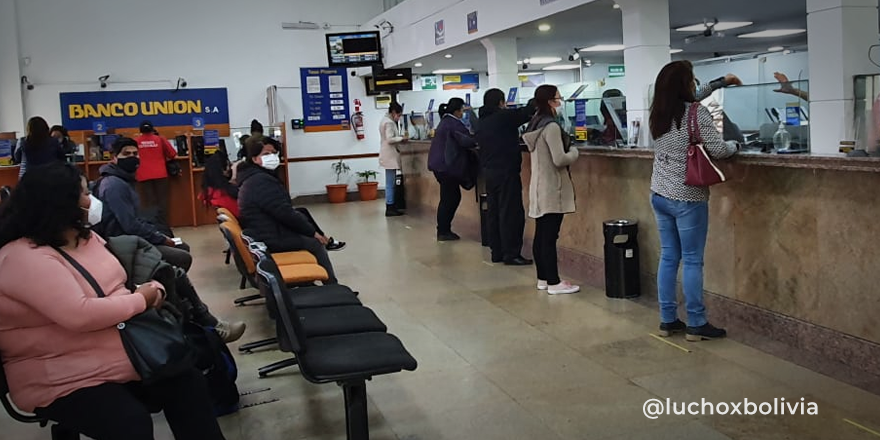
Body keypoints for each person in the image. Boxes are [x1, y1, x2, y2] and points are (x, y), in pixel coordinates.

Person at [0, 162, 226, 440]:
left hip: (121, 353)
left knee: (187, 382)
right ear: (60, 203)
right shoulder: (22, 258)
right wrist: (141, 300)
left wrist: (152, 288)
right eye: (85, 193)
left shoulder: (86, 238)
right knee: (130, 423)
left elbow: (120, 284)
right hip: (61, 375)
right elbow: (80, 314)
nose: (92, 200)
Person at [649, 60, 740, 342]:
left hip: (659, 193)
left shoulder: (658, 112)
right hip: (687, 196)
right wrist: (736, 145)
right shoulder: (696, 112)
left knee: (668, 257)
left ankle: (668, 320)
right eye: (692, 79)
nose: (694, 83)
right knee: (691, 260)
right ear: (684, 84)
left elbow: (694, 96)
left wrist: (720, 82)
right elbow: (719, 150)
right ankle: (697, 323)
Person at [238, 138, 342, 284]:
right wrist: (312, 233)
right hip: (270, 238)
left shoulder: (253, 177)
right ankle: (332, 286)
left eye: (274, 153)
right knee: (315, 243)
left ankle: (310, 282)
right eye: (266, 154)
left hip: (265, 231)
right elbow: (284, 213)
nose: (272, 157)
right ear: (254, 159)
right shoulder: (260, 181)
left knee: (301, 215)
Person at [93, 137, 193, 272]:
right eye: (126, 154)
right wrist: (160, 238)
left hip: (131, 238)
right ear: (114, 157)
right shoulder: (114, 185)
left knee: (180, 245)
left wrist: (157, 234)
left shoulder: (124, 179)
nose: (132, 157)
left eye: (135, 154)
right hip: (124, 244)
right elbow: (130, 225)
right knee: (182, 257)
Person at [522, 85, 581, 295]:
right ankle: (554, 282)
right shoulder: (552, 127)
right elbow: (559, 159)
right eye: (558, 98)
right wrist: (574, 152)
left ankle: (543, 279)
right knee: (549, 237)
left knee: (541, 235)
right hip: (553, 187)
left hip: (539, 186)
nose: (560, 102)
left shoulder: (535, 124)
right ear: (550, 101)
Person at [476, 88, 535, 265]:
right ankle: (511, 253)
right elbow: (526, 112)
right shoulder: (502, 117)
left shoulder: (481, 121)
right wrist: (539, 99)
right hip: (506, 171)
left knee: (494, 212)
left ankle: (497, 252)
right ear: (501, 102)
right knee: (511, 212)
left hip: (489, 172)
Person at [428, 98, 477, 241]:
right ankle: (443, 231)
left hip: (440, 166)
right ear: (456, 111)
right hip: (446, 166)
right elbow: (466, 140)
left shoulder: (445, 121)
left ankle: (443, 229)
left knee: (449, 197)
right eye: (461, 110)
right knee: (450, 198)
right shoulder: (453, 123)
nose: (462, 113)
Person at [134, 120, 177, 225]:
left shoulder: (135, 141)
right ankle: (164, 225)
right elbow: (172, 154)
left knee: (149, 202)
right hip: (160, 174)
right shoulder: (160, 139)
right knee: (162, 202)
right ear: (152, 129)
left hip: (143, 175)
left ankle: (152, 225)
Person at [379, 102, 408, 217]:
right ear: (394, 112)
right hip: (390, 155)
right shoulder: (389, 123)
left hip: (387, 154)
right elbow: (390, 139)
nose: (399, 117)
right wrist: (401, 138)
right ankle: (390, 206)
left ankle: (390, 205)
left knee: (389, 182)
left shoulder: (384, 120)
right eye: (399, 115)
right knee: (390, 183)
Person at [200, 153, 240, 217]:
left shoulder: (210, 193)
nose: (231, 168)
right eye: (229, 165)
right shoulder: (224, 195)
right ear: (223, 170)